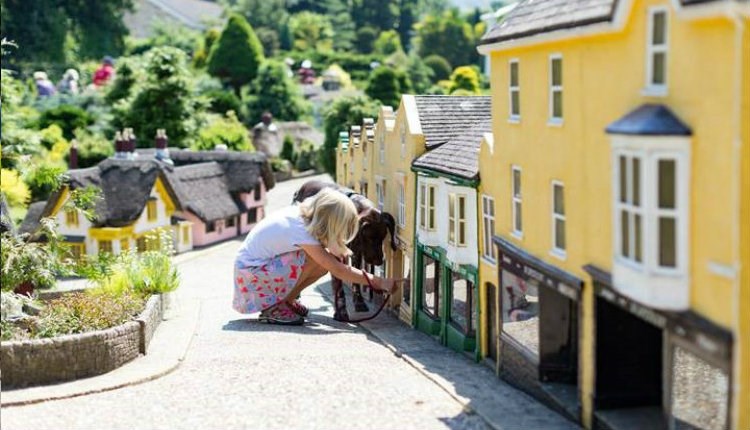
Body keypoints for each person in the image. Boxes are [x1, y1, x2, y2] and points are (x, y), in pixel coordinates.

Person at [233, 188, 403, 325]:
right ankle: (275, 307)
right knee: (320, 260)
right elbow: (338, 270)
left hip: (252, 272)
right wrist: (380, 282)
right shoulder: (300, 231)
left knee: (323, 261)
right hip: (250, 278)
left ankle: (286, 300)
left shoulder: (301, 216)